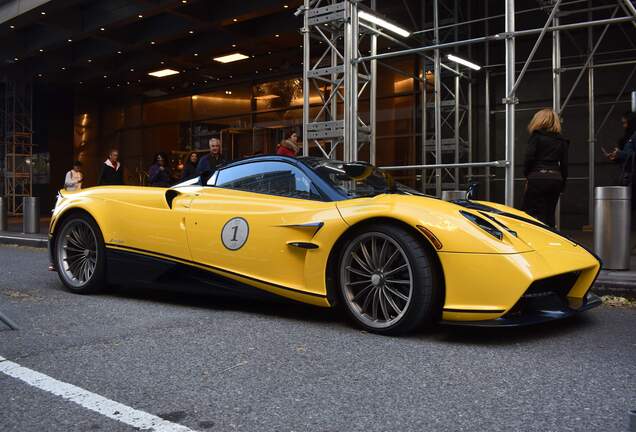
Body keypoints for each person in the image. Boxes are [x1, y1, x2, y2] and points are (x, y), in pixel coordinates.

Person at [520, 108, 569, 227]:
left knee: (528, 213)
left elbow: (529, 158)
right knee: (549, 214)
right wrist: (562, 185)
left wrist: (527, 175)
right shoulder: (561, 140)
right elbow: (564, 165)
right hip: (555, 179)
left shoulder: (536, 137)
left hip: (537, 177)